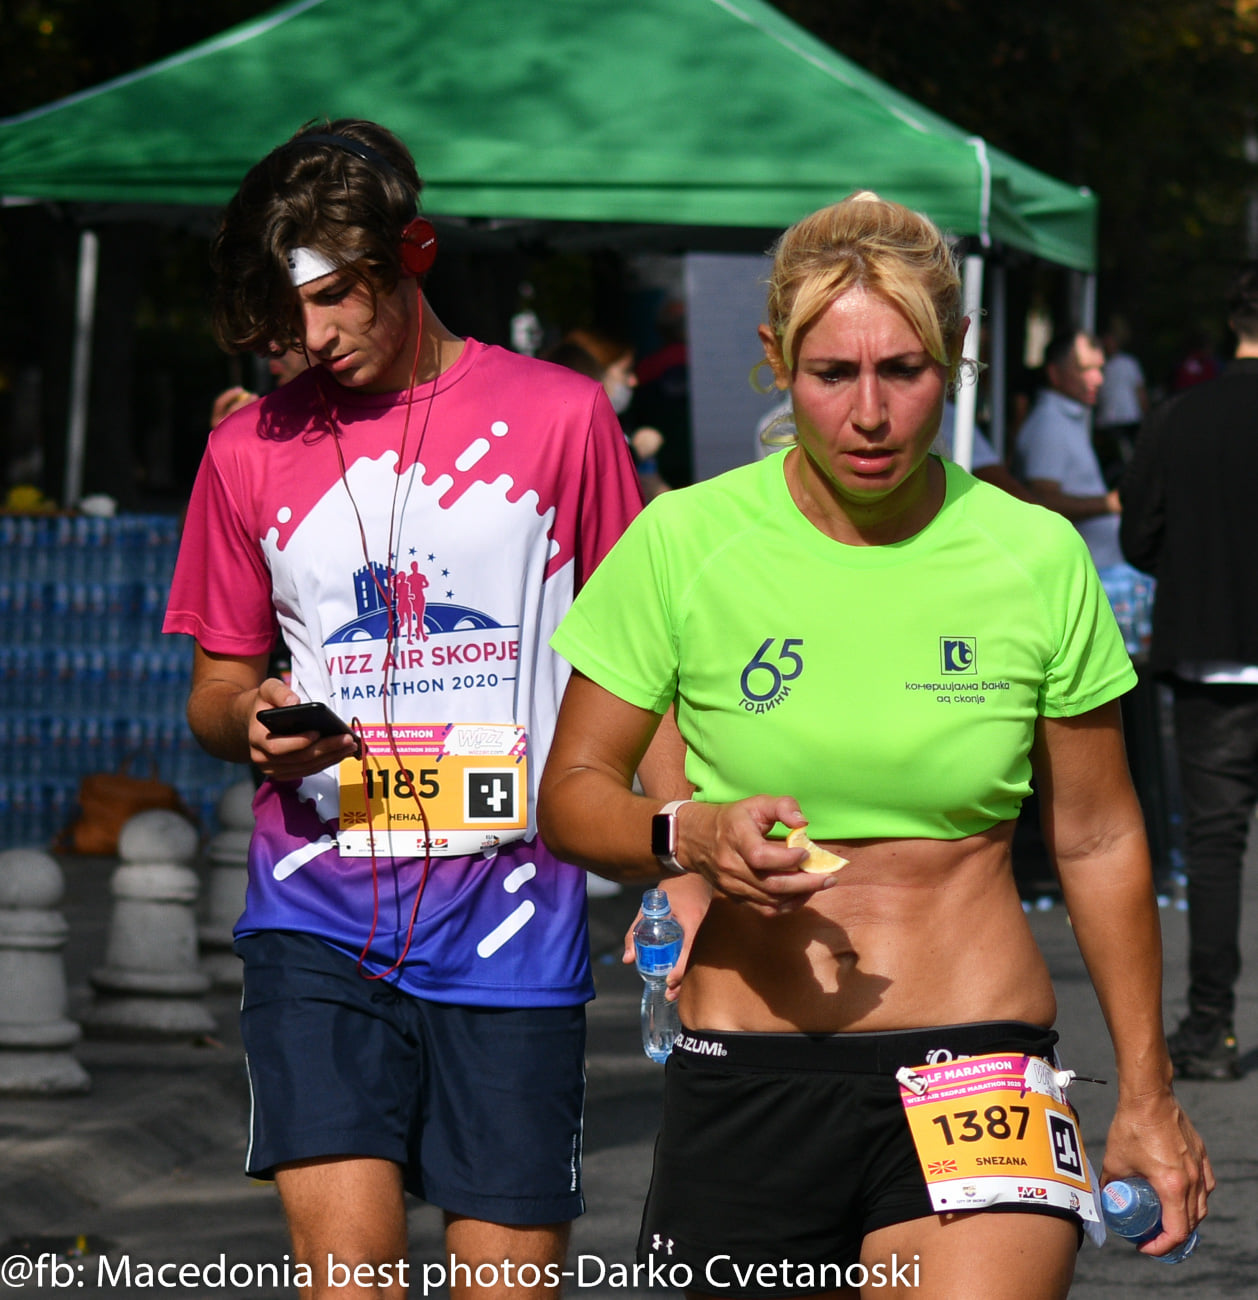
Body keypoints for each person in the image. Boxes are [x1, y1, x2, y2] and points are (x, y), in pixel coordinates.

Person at [538, 191, 1210, 1297]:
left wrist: (1147, 1091)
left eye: (904, 371)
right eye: (831, 373)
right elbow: (571, 794)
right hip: (747, 1069)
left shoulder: (1035, 556)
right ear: (775, 360)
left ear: (957, 354)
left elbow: (1096, 836)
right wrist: (688, 835)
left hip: (980, 1060)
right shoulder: (684, 541)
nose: (870, 414)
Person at [163, 118, 658, 1300]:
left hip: (513, 919)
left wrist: (674, 863)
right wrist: (251, 723)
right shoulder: (246, 448)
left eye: (337, 295)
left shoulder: (563, 417)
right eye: (291, 312)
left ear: (411, 254)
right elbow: (216, 688)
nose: (315, 337)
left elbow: (647, 671)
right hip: (314, 915)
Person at [1120, 262, 1258, 1081]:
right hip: (1213, 658)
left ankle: (1211, 1028)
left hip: (1211, 661)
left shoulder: (1178, 417)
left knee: (1214, 850)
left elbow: (1139, 537)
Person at [1013, 330, 1124, 570]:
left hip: (1099, 569)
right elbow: (1042, 500)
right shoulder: (1048, 424)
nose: (1098, 379)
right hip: (1087, 573)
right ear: (1054, 373)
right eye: (1086, 369)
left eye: (1100, 368)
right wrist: (1111, 503)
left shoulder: (1065, 417)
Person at [1093, 316, 1148, 487]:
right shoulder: (1098, 365)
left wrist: (1146, 417)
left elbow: (1140, 392)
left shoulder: (1129, 363)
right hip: (1105, 423)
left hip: (1128, 420)